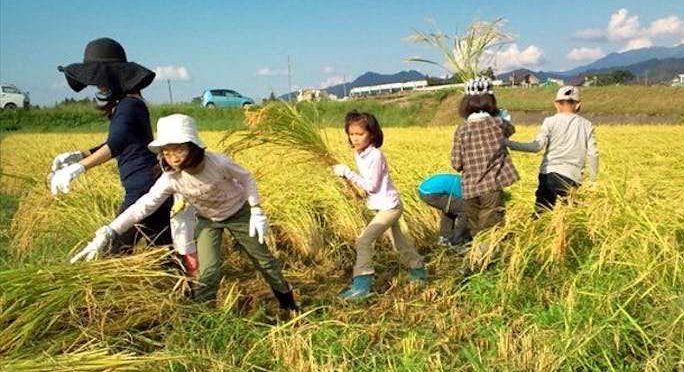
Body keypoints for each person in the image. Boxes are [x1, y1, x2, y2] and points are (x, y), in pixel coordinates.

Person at [70, 113, 300, 312]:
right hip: (208, 220)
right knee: (207, 273)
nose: (174, 157)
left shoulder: (218, 163)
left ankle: (289, 305)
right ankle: (206, 317)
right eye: (167, 152)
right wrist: (109, 232)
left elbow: (246, 177)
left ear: (193, 146)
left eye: (179, 149)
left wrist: (256, 210)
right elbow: (144, 205)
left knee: (265, 262)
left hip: (238, 214)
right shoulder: (171, 178)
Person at [50, 37, 176, 258]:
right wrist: (79, 155)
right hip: (150, 186)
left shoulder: (129, 106)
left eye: (99, 76)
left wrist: (79, 167)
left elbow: (116, 144)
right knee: (165, 254)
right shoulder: (129, 104)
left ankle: (194, 290)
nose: (98, 84)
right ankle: (192, 290)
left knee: (113, 254)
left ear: (114, 75)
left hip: (142, 190)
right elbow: (119, 140)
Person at [332, 110, 425, 299]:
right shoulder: (360, 153)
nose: (355, 139)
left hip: (390, 207)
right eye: (352, 134)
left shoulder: (375, 156)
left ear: (372, 134)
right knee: (399, 242)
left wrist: (347, 172)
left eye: (360, 134)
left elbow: (372, 186)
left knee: (363, 241)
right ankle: (418, 273)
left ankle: (361, 286)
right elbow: (365, 186)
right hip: (382, 204)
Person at [507, 85, 599, 213]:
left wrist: (508, 144)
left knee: (541, 215)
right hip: (572, 178)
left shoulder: (550, 121)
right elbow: (593, 154)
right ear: (578, 105)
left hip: (548, 176)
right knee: (570, 219)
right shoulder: (587, 125)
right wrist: (592, 180)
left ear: (556, 104)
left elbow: (536, 147)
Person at [451, 78, 519, 244]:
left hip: (469, 190)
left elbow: (456, 163)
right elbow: (511, 130)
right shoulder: (499, 124)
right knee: (490, 231)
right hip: (491, 187)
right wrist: (501, 117)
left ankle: (476, 262)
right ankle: (474, 265)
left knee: (476, 232)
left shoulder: (461, 130)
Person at [417, 173, 469, 247]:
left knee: (451, 208)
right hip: (432, 193)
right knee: (465, 210)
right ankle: (456, 242)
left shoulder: (461, 180)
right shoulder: (466, 187)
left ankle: (444, 238)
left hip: (424, 190)